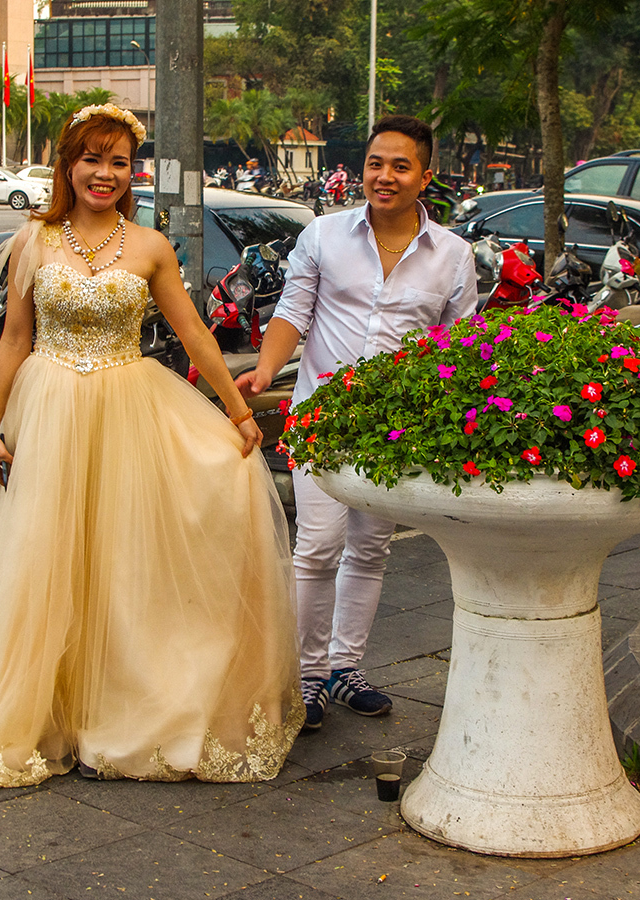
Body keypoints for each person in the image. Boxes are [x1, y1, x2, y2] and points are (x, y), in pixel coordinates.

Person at [0, 103, 302, 793]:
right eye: (93, 158)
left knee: (123, 562)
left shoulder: (149, 246)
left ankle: (122, 708)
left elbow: (197, 337)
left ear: (131, 171)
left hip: (130, 408)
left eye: (119, 162)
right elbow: (15, 338)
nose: (105, 174)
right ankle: (46, 710)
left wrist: (238, 411)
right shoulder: (33, 239)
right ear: (68, 163)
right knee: (47, 557)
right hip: (51, 409)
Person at [236, 115, 479, 731]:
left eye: (400, 166)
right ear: (362, 168)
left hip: (396, 428)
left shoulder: (452, 256)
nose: (385, 176)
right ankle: (309, 674)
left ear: (425, 175)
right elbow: (294, 310)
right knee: (317, 546)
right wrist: (265, 373)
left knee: (369, 549)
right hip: (323, 415)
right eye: (376, 163)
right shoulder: (323, 235)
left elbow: (457, 349)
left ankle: (345, 668)